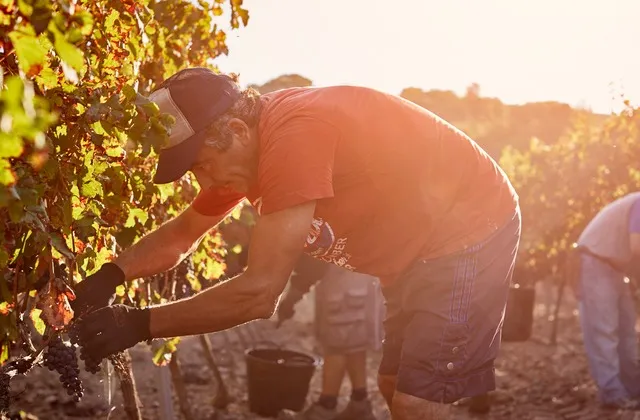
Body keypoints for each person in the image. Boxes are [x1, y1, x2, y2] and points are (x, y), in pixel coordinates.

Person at [70, 67, 521, 420]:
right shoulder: (242, 153)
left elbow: (259, 293)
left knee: (418, 404)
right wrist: (110, 275)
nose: (203, 181)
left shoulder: (294, 139)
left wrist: (138, 324)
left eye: (202, 165)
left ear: (237, 132)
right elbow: (182, 234)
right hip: (413, 254)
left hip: (467, 233)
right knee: (393, 385)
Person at [277, 255, 384, 420]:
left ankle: (325, 408)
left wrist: (291, 300)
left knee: (336, 345)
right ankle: (360, 403)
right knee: (354, 342)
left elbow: (311, 268)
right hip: (362, 283)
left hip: (343, 288)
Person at [574, 192, 640, 410]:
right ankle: (612, 394)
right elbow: (637, 248)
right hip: (596, 262)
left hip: (615, 267)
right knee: (604, 332)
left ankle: (633, 389)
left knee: (627, 332)